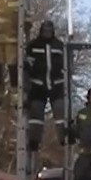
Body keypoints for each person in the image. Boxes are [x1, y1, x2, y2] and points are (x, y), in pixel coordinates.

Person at [25, 20, 67, 152]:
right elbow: (26, 66)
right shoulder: (33, 45)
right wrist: (28, 83)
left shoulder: (60, 46)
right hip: (38, 85)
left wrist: (63, 76)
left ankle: (63, 137)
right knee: (36, 114)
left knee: (60, 111)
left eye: (49, 31)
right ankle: (34, 141)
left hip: (56, 84)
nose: (47, 33)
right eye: (45, 31)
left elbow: (66, 65)